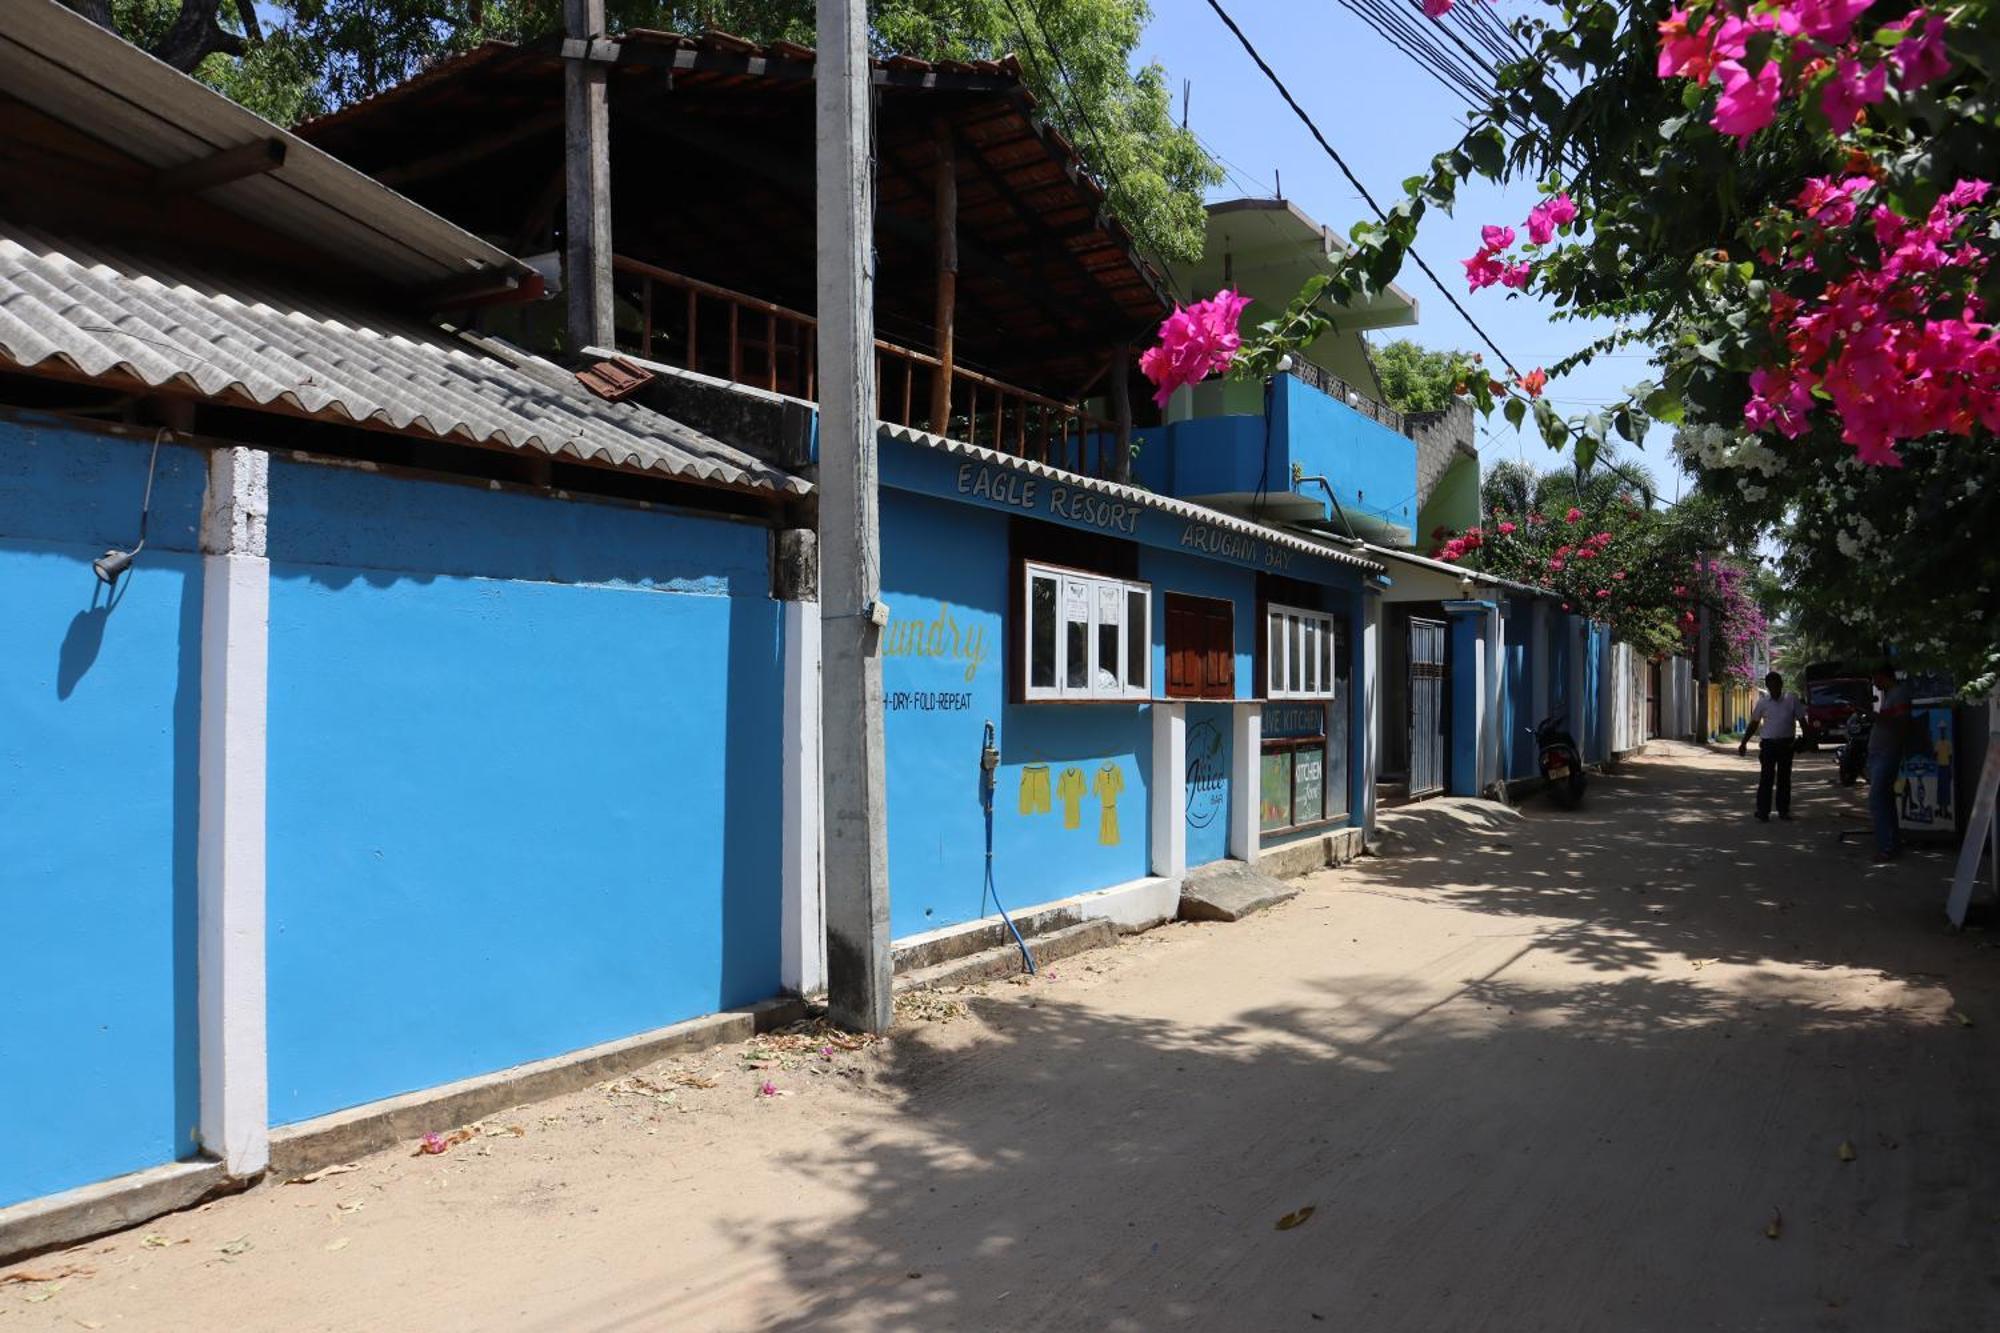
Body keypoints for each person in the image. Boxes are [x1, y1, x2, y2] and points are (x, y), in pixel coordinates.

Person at [1866, 664, 1912, 862]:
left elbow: (1901, 723)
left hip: (1887, 753)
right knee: (1885, 800)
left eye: (1875, 678)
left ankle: (1886, 847)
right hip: (1880, 752)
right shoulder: (1890, 695)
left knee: (1877, 800)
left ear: (1883, 676)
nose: (1874, 683)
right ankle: (1892, 844)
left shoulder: (1899, 694)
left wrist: (1876, 716)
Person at [1740, 671, 1800, 822]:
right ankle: (1763, 811)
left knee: (1784, 779)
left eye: (1776, 685)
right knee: (1766, 778)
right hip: (1768, 746)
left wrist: (1806, 740)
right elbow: (1754, 724)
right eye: (1771, 686)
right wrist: (1743, 743)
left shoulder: (1791, 700)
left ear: (1781, 685)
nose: (1774, 689)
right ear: (1767, 687)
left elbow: (1802, 721)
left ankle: (1783, 811)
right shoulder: (1763, 703)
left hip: (1787, 745)